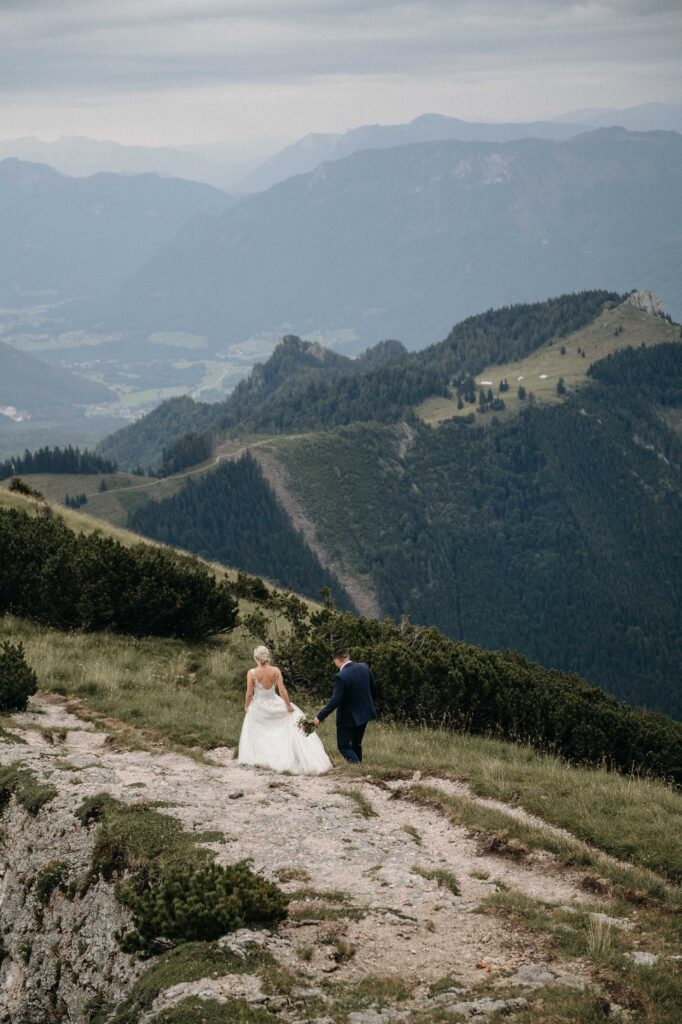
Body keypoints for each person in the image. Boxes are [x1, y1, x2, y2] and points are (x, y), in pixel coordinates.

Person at [237, 645, 331, 775]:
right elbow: (282, 690)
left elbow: (249, 693)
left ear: (256, 657)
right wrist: (288, 705)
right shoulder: (275, 670)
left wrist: (247, 706)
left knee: (260, 732)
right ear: (267, 656)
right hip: (274, 700)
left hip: (259, 705)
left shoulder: (252, 673)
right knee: (282, 728)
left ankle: (260, 757)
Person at [313, 647, 377, 763]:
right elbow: (373, 688)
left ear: (336, 660)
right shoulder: (364, 667)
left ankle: (357, 767)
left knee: (343, 746)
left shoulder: (340, 676)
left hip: (348, 717)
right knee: (356, 744)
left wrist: (319, 717)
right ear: (347, 657)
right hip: (365, 713)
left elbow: (335, 701)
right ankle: (359, 769)